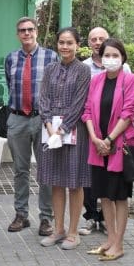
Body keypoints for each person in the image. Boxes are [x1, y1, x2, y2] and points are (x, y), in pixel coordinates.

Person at [82, 38, 134, 261]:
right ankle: (110, 240)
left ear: (122, 57)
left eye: (115, 55)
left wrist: (109, 139)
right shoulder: (96, 80)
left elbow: (129, 112)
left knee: (119, 196)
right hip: (98, 146)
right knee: (104, 195)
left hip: (119, 146)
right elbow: (87, 111)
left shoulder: (130, 79)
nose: (111, 59)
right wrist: (95, 138)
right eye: (107, 55)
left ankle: (119, 244)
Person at [37, 27, 91, 249]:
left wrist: (62, 130)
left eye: (70, 43)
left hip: (74, 130)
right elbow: (43, 98)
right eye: (61, 42)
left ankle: (73, 232)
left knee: (74, 183)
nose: (65, 46)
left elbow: (79, 103)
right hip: (50, 130)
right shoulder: (50, 69)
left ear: (77, 45)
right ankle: (58, 229)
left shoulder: (83, 70)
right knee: (56, 181)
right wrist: (49, 127)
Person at [3, 17, 58, 236]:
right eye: (22, 30)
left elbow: (56, 88)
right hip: (17, 119)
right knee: (20, 170)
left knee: (45, 170)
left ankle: (46, 218)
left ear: (36, 31)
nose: (26, 33)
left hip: (43, 119)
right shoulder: (11, 58)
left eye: (30, 29)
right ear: (17, 34)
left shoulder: (51, 56)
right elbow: (11, 84)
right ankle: (21, 215)